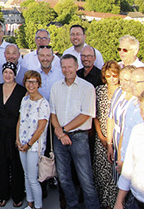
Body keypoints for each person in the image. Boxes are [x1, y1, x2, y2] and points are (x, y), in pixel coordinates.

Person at [50, 54, 99, 209]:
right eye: (63, 67)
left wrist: (63, 130)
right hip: (60, 138)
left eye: (70, 66)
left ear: (76, 67)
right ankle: (73, 206)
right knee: (64, 178)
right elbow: (53, 113)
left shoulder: (87, 87)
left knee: (86, 179)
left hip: (79, 137)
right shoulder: (56, 86)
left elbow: (86, 114)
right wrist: (60, 133)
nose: (67, 70)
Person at [0, 62, 26, 207]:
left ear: (15, 74)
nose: (7, 75)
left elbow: (22, 115)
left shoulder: (21, 91)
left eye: (10, 73)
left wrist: (19, 136)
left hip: (14, 130)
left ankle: (17, 195)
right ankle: (1, 193)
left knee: (16, 164)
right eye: (5, 72)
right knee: (0, 162)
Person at [16, 70, 50, 209]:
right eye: (28, 81)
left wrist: (29, 144)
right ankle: (30, 204)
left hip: (34, 146)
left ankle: (38, 205)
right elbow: (20, 120)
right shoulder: (24, 100)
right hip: (22, 143)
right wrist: (17, 139)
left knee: (33, 179)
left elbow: (41, 128)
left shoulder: (43, 104)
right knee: (26, 175)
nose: (31, 84)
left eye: (34, 82)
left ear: (39, 84)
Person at [92, 61, 121, 208]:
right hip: (100, 136)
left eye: (114, 75)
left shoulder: (123, 92)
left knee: (113, 173)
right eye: (108, 75)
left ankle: (113, 204)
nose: (111, 78)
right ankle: (102, 203)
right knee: (100, 173)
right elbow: (95, 115)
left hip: (117, 138)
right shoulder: (99, 90)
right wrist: (101, 136)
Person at [106, 66, 135, 173]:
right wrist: (110, 144)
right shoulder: (118, 92)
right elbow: (110, 118)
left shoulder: (136, 98)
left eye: (127, 80)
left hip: (128, 140)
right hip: (115, 138)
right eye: (122, 79)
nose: (124, 83)